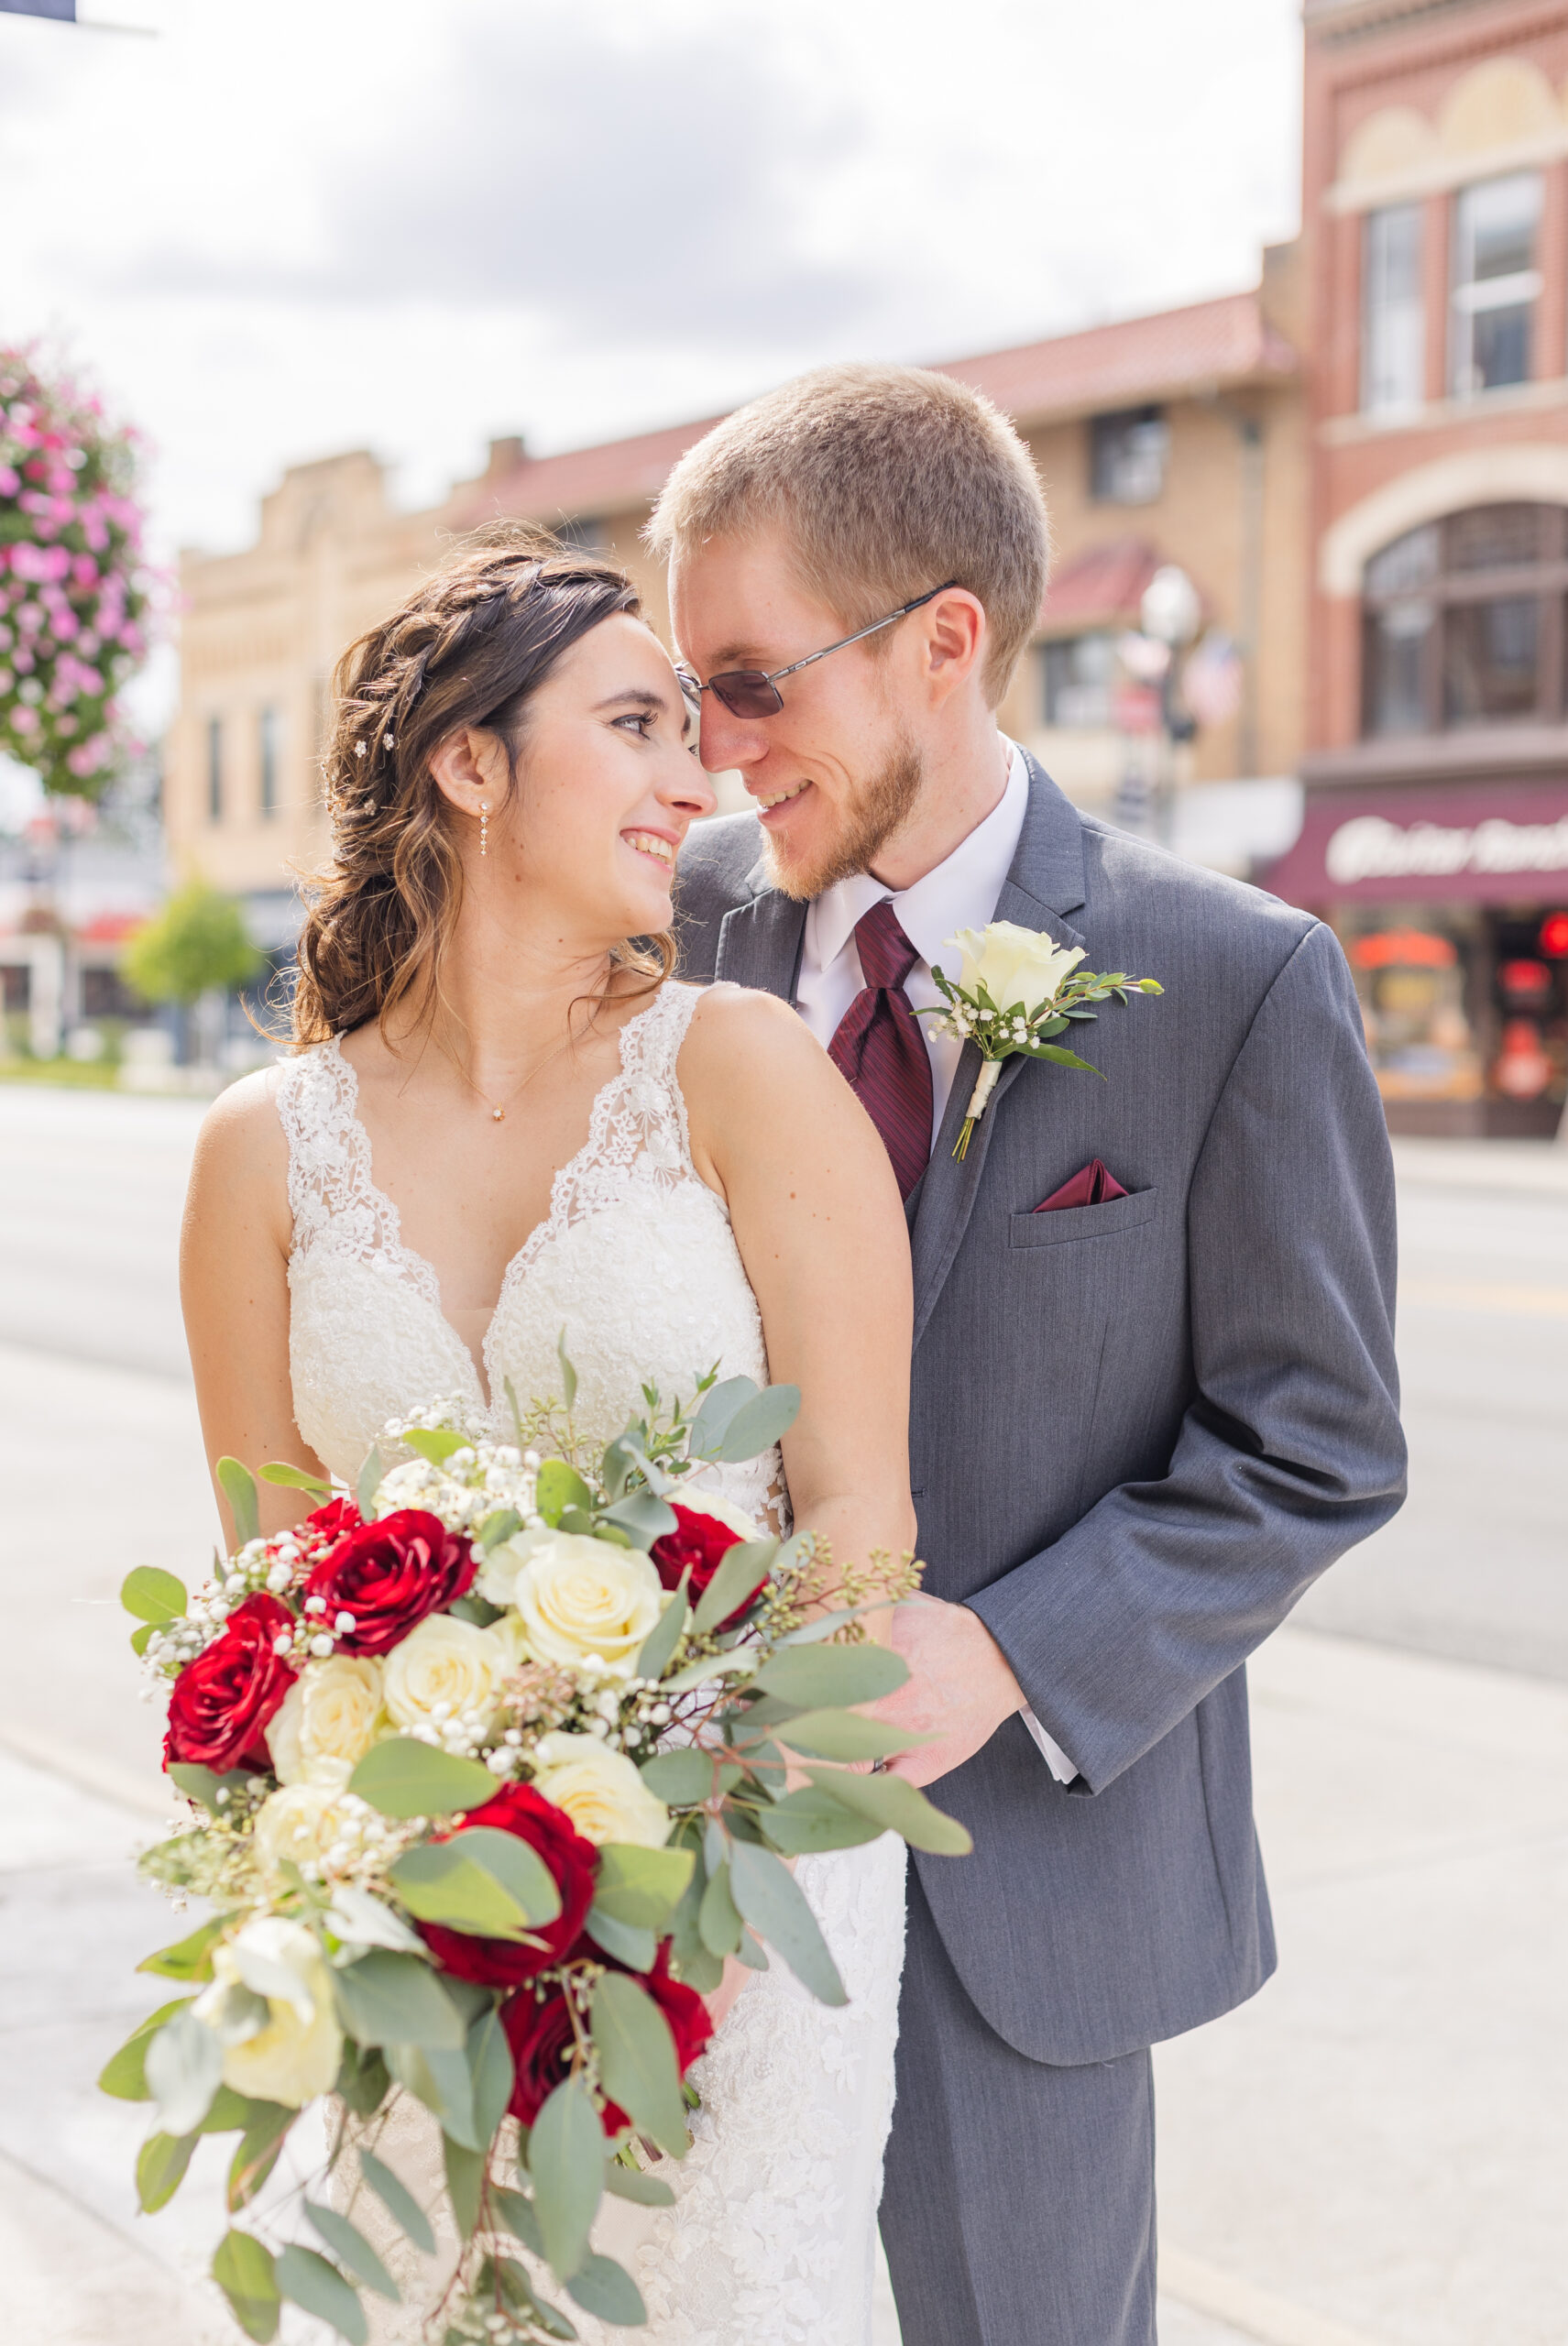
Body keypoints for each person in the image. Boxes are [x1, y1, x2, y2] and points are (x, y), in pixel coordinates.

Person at [658, 363, 1408, 2346]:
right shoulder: (676, 938)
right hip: (675, 1872)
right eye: (684, 695)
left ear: (942, 642)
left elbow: (1318, 1440)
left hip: (1030, 1897)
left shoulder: (1236, 982)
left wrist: (1003, 1651)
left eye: (750, 682)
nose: (715, 752)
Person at [178, 524, 918, 2344]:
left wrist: (674, 1840)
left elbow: (858, 1521)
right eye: (642, 724)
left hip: (749, 1887)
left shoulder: (742, 1068)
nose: (701, 777)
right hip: (422, 1915)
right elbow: (276, 1589)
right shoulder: (262, 1150)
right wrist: (395, 1866)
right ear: (471, 760)